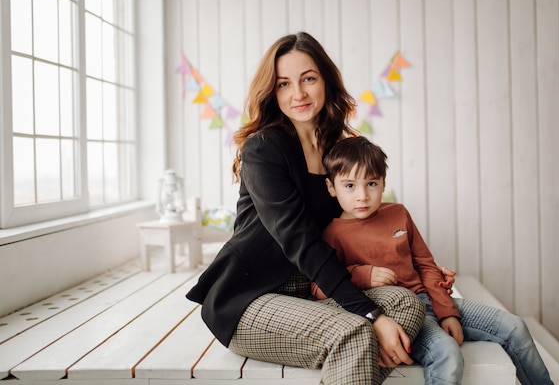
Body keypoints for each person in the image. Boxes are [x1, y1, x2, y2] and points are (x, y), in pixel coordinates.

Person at [186, 32, 437, 384]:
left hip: (312, 291)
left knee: (406, 304)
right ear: (272, 92)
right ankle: (354, 352)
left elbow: (354, 225)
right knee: (358, 330)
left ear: (325, 81)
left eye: (308, 79)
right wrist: (368, 313)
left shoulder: (338, 149)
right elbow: (299, 239)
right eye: (284, 84)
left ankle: (351, 366)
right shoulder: (263, 149)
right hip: (249, 298)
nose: (298, 94)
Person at [311, 136, 554, 385]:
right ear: (331, 188)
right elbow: (320, 288)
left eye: (371, 183)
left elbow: (425, 264)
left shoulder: (398, 213)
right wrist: (365, 275)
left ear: (383, 183)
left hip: (430, 300)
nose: (362, 196)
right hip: (399, 317)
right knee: (447, 354)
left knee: (515, 327)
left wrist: (447, 313)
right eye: (349, 186)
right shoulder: (333, 233)